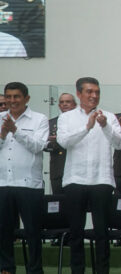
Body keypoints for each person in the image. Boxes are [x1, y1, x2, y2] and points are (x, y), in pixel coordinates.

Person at [57, 77, 121, 274]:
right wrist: (87, 127)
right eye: (89, 92)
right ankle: (77, 270)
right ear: (79, 94)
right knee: (76, 231)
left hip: (101, 180)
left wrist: (104, 126)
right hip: (75, 179)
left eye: (97, 92)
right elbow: (63, 142)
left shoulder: (109, 117)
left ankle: (102, 271)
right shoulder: (67, 117)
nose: (94, 96)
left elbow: (120, 144)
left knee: (102, 231)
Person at [0, 82, 49, 274]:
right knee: (3, 231)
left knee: (32, 232)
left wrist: (15, 131)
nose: (12, 101)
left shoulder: (39, 119)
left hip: (29, 185)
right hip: (3, 183)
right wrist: (2, 135)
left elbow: (38, 146)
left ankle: (35, 269)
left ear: (26, 98)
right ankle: (6, 268)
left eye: (17, 96)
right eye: (8, 97)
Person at [45, 93, 77, 194]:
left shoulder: (80, 122)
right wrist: (52, 143)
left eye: (68, 102)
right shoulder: (51, 123)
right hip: (58, 169)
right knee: (59, 203)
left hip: (76, 170)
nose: (64, 104)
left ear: (75, 105)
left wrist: (59, 139)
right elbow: (44, 146)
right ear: (58, 106)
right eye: (62, 102)